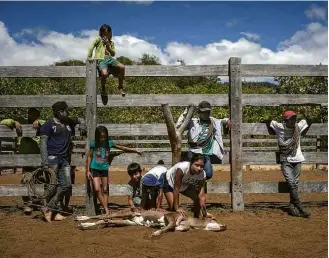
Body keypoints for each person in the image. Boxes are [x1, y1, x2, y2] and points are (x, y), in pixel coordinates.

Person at [39, 101, 83, 222]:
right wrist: (44, 161)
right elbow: (42, 143)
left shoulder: (68, 122)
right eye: (66, 111)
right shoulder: (48, 125)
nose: (68, 113)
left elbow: (79, 119)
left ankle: (49, 208)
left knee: (66, 185)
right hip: (53, 158)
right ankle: (53, 211)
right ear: (60, 112)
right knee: (52, 185)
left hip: (64, 158)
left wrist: (82, 124)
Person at [86, 126, 142, 215]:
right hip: (95, 168)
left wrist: (135, 150)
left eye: (104, 136)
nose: (103, 138)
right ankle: (106, 209)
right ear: (97, 136)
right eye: (101, 136)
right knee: (97, 189)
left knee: (105, 189)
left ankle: (106, 209)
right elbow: (89, 156)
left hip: (104, 168)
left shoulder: (109, 143)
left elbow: (122, 148)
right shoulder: (93, 144)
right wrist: (87, 170)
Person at [1, 108, 46, 215]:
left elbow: (47, 123)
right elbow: (3, 122)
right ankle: (28, 203)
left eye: (35, 113)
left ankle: (38, 202)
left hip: (38, 159)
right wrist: (13, 122)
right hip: (26, 159)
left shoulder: (41, 123)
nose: (32, 115)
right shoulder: (21, 121)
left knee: (40, 179)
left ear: (38, 115)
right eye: (30, 113)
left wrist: (38, 122)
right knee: (26, 179)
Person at [269, 110, 311, 218]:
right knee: (292, 183)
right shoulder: (279, 127)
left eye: (294, 118)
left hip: (297, 160)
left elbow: (308, 121)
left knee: (294, 184)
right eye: (290, 119)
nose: (293, 121)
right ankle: (300, 206)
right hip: (285, 160)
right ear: (285, 120)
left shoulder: (298, 127)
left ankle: (292, 207)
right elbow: (268, 121)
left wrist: (303, 113)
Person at [176, 101, 230, 181]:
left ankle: (197, 181)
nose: (206, 114)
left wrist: (228, 120)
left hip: (206, 155)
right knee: (190, 171)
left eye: (208, 112)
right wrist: (186, 111)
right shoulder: (192, 122)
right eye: (204, 112)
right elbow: (179, 126)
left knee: (208, 173)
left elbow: (224, 121)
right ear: (199, 112)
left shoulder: (214, 122)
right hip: (194, 152)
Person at [87, 24, 126, 105]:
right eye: (105, 34)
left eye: (108, 34)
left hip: (109, 59)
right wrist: (89, 57)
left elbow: (113, 54)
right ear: (101, 34)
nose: (106, 36)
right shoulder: (98, 39)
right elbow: (91, 46)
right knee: (104, 74)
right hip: (101, 60)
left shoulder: (111, 42)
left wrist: (108, 45)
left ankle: (120, 86)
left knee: (122, 67)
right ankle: (103, 89)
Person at [163, 153, 208, 218]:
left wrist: (204, 212)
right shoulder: (182, 168)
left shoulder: (202, 174)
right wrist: (177, 208)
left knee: (197, 198)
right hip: (170, 184)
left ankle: (196, 218)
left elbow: (201, 194)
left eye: (202, 166)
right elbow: (176, 189)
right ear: (191, 163)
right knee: (173, 209)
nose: (199, 168)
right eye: (196, 165)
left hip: (185, 184)